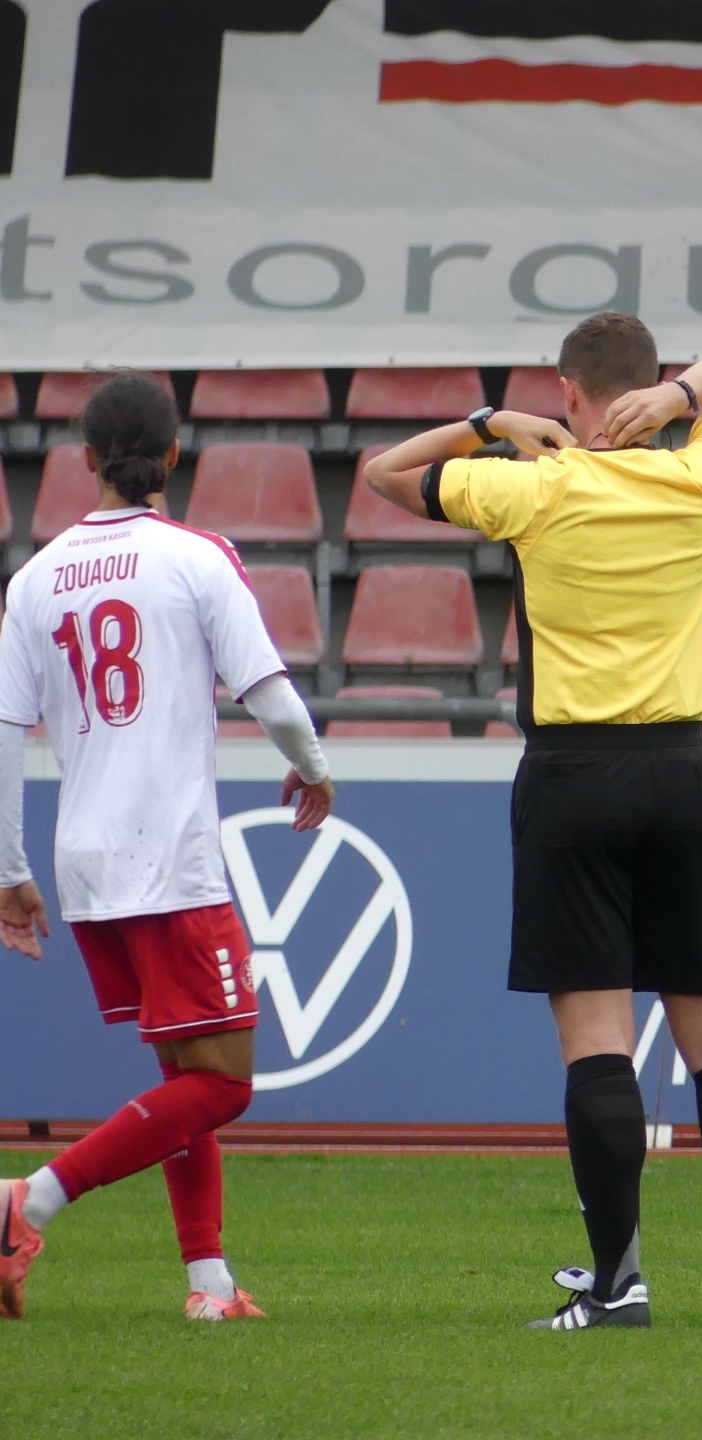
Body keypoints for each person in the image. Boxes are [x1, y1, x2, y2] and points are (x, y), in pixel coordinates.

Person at [363, 311, 702, 1331]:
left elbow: (386, 474)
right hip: (680, 770)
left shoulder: (535, 487)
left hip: (571, 776)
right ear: (650, 387)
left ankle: (618, 1288)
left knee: (598, 1043)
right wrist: (687, 398)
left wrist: (490, 423)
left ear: (567, 393)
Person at [0, 373, 334, 1321]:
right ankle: (29, 1200)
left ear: (87, 461)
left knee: (185, 1078)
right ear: (175, 455)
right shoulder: (196, 556)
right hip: (173, 858)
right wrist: (313, 767)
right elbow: (270, 692)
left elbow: (4, 730)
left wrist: (10, 871)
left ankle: (209, 1286)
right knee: (223, 1087)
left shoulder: (33, 580)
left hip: (86, 862)